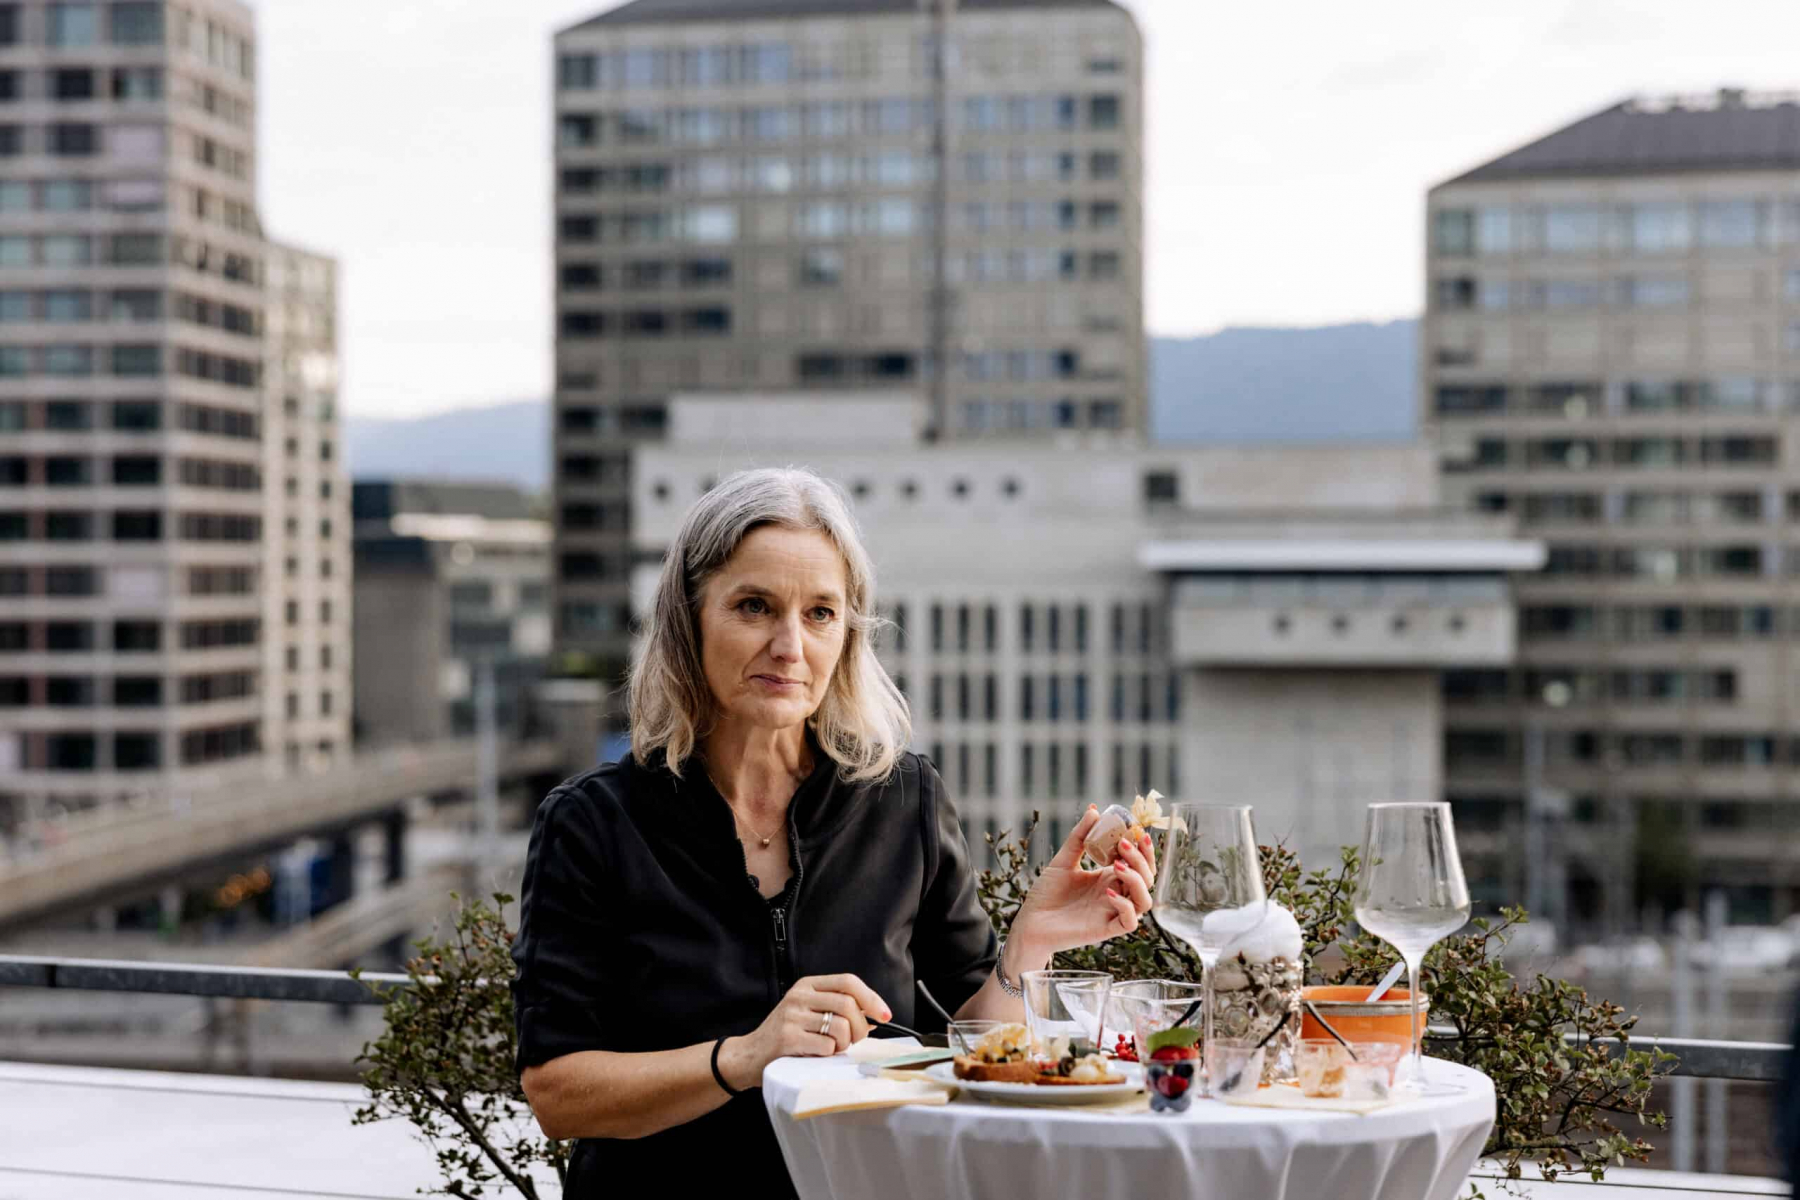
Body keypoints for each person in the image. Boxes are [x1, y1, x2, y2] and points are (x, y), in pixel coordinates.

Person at [511, 467, 1156, 1196]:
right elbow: (557, 1092)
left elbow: (975, 1044)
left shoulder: (904, 800)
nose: (790, 645)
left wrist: (1030, 946)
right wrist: (746, 1057)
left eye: (820, 613)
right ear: (689, 621)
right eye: (754, 606)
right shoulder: (593, 822)